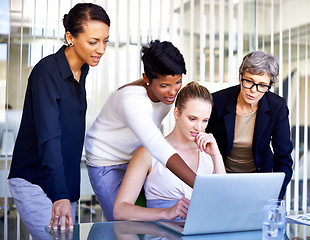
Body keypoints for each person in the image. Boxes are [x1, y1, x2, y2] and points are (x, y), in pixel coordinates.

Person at [8, 3, 110, 239]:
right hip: (36, 181)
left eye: (105, 41)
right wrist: (60, 195)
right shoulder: (47, 72)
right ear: (70, 37)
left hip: (61, 184)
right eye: (93, 41)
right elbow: (49, 137)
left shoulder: (82, 70)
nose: (101, 49)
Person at [85, 40, 197, 221]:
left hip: (134, 160)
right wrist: (200, 185)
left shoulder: (165, 93)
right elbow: (157, 145)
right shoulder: (132, 101)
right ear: (147, 79)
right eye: (164, 85)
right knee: (122, 221)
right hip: (106, 162)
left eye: (178, 82)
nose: (172, 91)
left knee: (146, 221)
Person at [113, 81, 226, 221]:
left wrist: (216, 156)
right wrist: (166, 212)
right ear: (177, 113)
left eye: (204, 121)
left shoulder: (208, 154)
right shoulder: (148, 153)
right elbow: (120, 210)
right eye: (192, 118)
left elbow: (222, 203)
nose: (198, 127)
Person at [206, 50, 293, 199]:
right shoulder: (217, 101)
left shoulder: (276, 107)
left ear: (269, 85)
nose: (253, 91)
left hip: (258, 182)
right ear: (240, 77)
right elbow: (202, 148)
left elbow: (283, 158)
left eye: (262, 85)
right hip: (220, 178)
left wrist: (276, 197)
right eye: (249, 81)